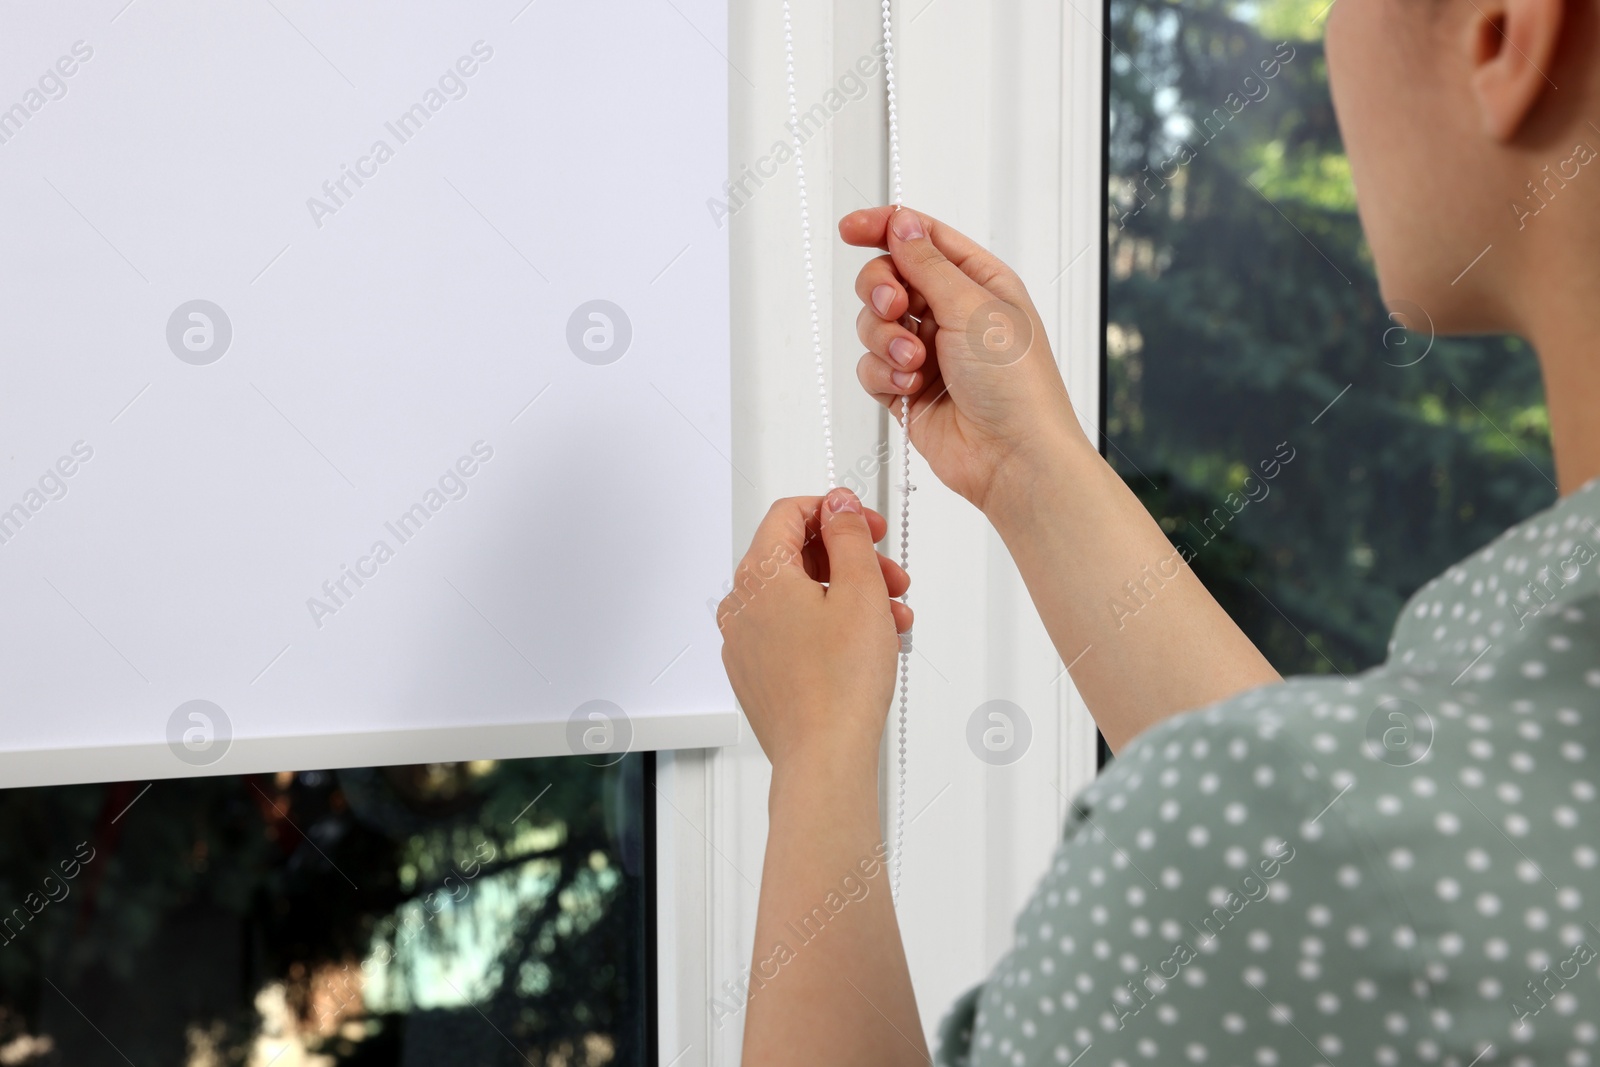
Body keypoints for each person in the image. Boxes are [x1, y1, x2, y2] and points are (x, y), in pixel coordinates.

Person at [715, 0, 1600, 1061]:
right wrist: (1028, 470)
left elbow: (1324, 864)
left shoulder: (1291, 854)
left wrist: (816, 751)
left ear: (1504, 32)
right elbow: (1364, 851)